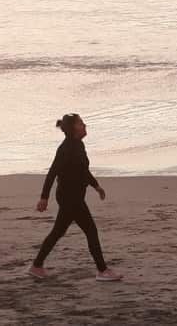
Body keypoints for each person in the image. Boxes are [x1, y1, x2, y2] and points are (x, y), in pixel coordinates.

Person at [28, 113, 122, 281]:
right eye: (81, 123)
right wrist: (44, 197)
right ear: (73, 128)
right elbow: (52, 172)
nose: (85, 125)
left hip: (73, 197)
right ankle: (102, 270)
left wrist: (96, 186)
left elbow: (83, 170)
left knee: (58, 232)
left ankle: (36, 265)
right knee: (91, 231)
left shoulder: (78, 145)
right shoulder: (66, 148)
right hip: (69, 198)